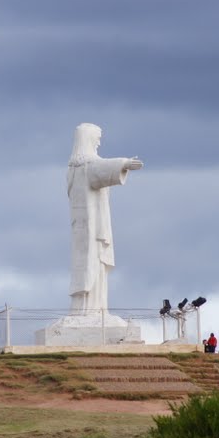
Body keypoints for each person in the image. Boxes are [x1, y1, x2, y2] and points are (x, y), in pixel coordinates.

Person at [66, 123, 144, 315]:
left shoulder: (75, 167)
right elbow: (100, 168)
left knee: (94, 266)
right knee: (91, 264)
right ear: (88, 139)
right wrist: (124, 163)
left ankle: (94, 308)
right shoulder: (84, 166)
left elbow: (99, 166)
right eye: (97, 137)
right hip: (91, 228)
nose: (99, 142)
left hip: (86, 227)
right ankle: (91, 311)